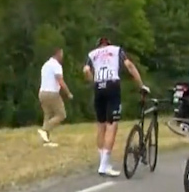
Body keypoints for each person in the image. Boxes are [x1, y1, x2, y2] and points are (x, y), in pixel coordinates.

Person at [84, 37, 149, 177]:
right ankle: (104, 165)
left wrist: (93, 81)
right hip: (112, 86)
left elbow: (86, 70)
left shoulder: (92, 54)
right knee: (112, 125)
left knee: (101, 125)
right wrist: (141, 84)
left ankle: (103, 162)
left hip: (99, 86)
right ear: (108, 44)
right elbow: (129, 65)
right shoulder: (116, 50)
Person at [37, 47, 72, 147]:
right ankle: (45, 130)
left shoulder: (45, 65)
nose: (62, 55)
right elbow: (60, 80)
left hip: (42, 92)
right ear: (58, 53)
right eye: (61, 53)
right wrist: (68, 93)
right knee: (61, 114)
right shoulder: (56, 65)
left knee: (47, 115)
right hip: (52, 93)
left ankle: (45, 140)